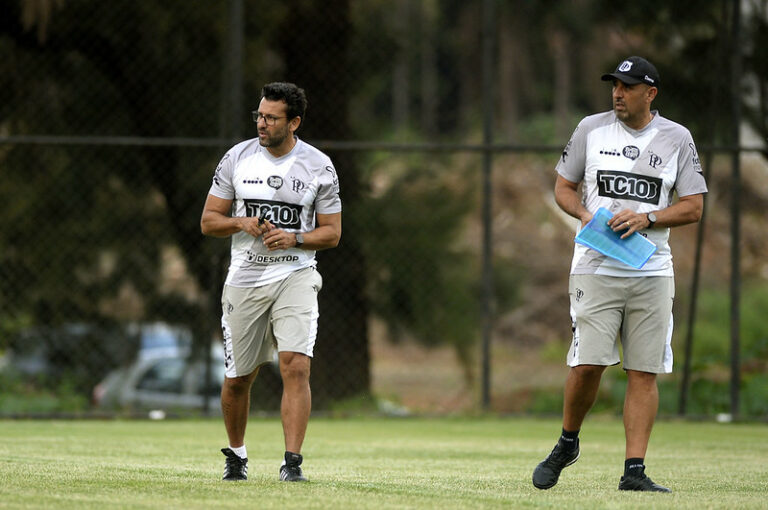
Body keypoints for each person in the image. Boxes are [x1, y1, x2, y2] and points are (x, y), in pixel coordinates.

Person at [532, 56, 707, 492]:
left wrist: (647, 219)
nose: (617, 93)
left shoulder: (677, 138)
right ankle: (567, 442)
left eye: (628, 87)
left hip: (652, 270)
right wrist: (588, 215)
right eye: (615, 85)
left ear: (651, 94)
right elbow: (562, 188)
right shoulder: (590, 128)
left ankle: (634, 472)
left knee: (643, 371)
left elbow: (694, 206)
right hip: (595, 267)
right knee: (588, 364)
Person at [201, 82, 342, 482]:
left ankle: (292, 463)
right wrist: (240, 222)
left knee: (295, 365)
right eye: (259, 116)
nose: (262, 123)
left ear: (293, 122)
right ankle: (237, 455)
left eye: (271, 118)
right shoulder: (237, 158)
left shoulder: (319, 166)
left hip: (295, 274)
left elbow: (332, 233)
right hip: (245, 278)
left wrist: (295, 237)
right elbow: (209, 222)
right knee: (239, 377)